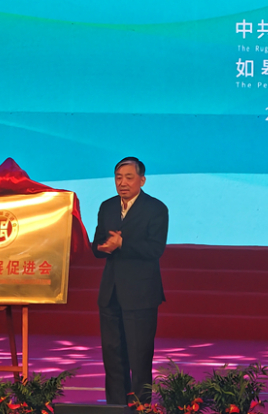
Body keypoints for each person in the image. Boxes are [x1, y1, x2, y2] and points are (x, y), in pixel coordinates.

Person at [92, 157, 169, 405]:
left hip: (141, 294)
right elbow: (96, 245)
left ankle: (140, 407)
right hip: (111, 293)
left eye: (129, 177)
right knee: (113, 356)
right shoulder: (107, 207)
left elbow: (155, 249)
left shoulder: (156, 208)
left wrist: (123, 243)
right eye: (118, 178)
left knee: (139, 356)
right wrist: (103, 247)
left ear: (142, 180)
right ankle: (115, 406)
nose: (122, 183)